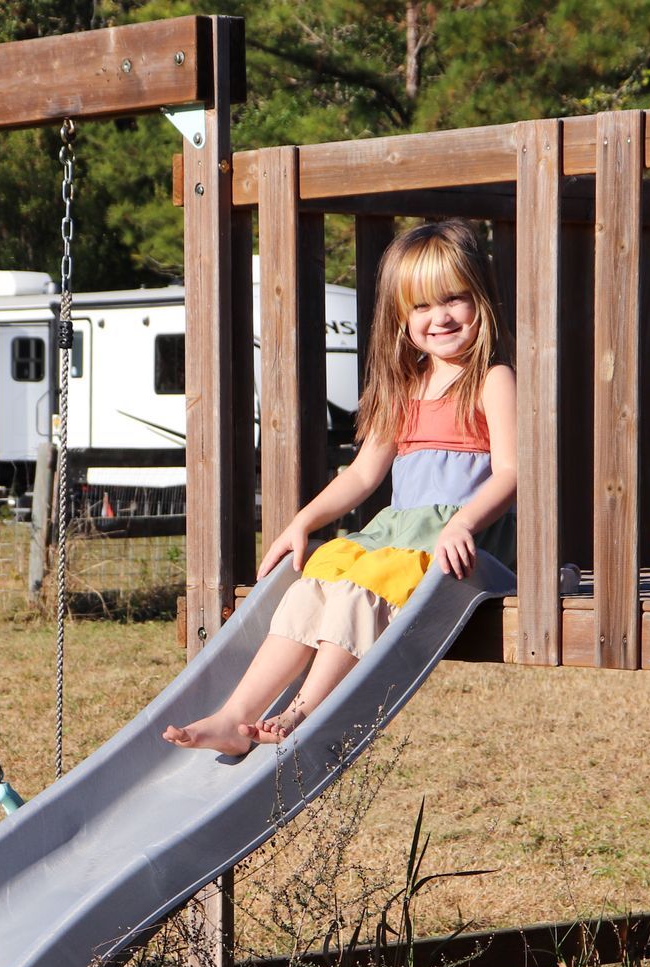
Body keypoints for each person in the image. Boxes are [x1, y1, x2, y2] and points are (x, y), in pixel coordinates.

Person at [163, 219, 516, 756]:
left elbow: (512, 471)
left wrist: (465, 520)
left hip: (465, 542)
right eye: (421, 306)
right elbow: (362, 474)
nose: (439, 317)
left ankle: (306, 705)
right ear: (402, 317)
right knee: (318, 577)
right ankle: (236, 716)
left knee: (359, 586)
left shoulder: (492, 379)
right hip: (404, 534)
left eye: (454, 299)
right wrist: (303, 521)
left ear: (480, 301)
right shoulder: (405, 386)